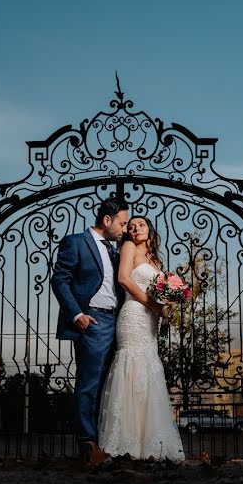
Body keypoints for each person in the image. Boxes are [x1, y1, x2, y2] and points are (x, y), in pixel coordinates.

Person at [97, 216, 185, 461]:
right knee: (132, 368)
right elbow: (124, 279)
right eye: (132, 226)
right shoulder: (128, 248)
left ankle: (150, 445)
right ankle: (125, 444)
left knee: (148, 371)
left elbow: (159, 294)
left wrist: (165, 309)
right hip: (133, 316)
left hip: (150, 323)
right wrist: (154, 306)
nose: (135, 229)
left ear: (150, 230)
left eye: (141, 225)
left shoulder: (155, 260)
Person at [51, 197, 129, 459]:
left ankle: (108, 440)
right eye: (122, 223)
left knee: (113, 385)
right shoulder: (75, 242)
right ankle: (87, 443)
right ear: (106, 221)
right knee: (89, 384)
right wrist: (77, 315)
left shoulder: (116, 250)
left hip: (118, 322)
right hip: (92, 321)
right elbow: (60, 281)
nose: (125, 229)